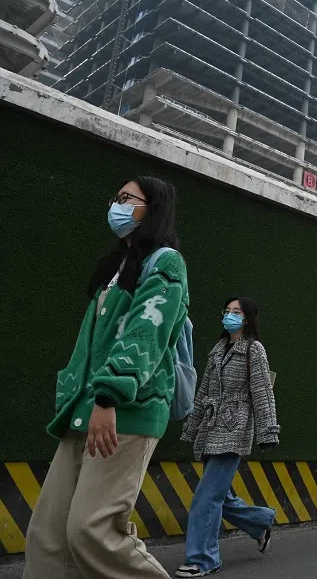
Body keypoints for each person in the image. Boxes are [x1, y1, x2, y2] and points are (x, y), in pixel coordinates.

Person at [25, 176, 189, 579]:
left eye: (127, 198)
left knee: (92, 531)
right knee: (48, 539)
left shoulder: (166, 262)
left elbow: (146, 334)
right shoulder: (117, 268)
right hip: (84, 410)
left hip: (123, 411)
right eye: (116, 197)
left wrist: (108, 396)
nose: (116, 205)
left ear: (153, 209)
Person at [176, 297, 280, 578]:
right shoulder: (218, 349)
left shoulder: (253, 350)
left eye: (237, 312)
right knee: (219, 495)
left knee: (206, 497)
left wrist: (268, 431)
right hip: (211, 428)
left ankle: (203, 559)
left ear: (247, 319)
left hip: (234, 429)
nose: (230, 316)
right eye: (227, 311)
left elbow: (262, 391)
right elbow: (203, 392)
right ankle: (261, 522)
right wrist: (192, 426)